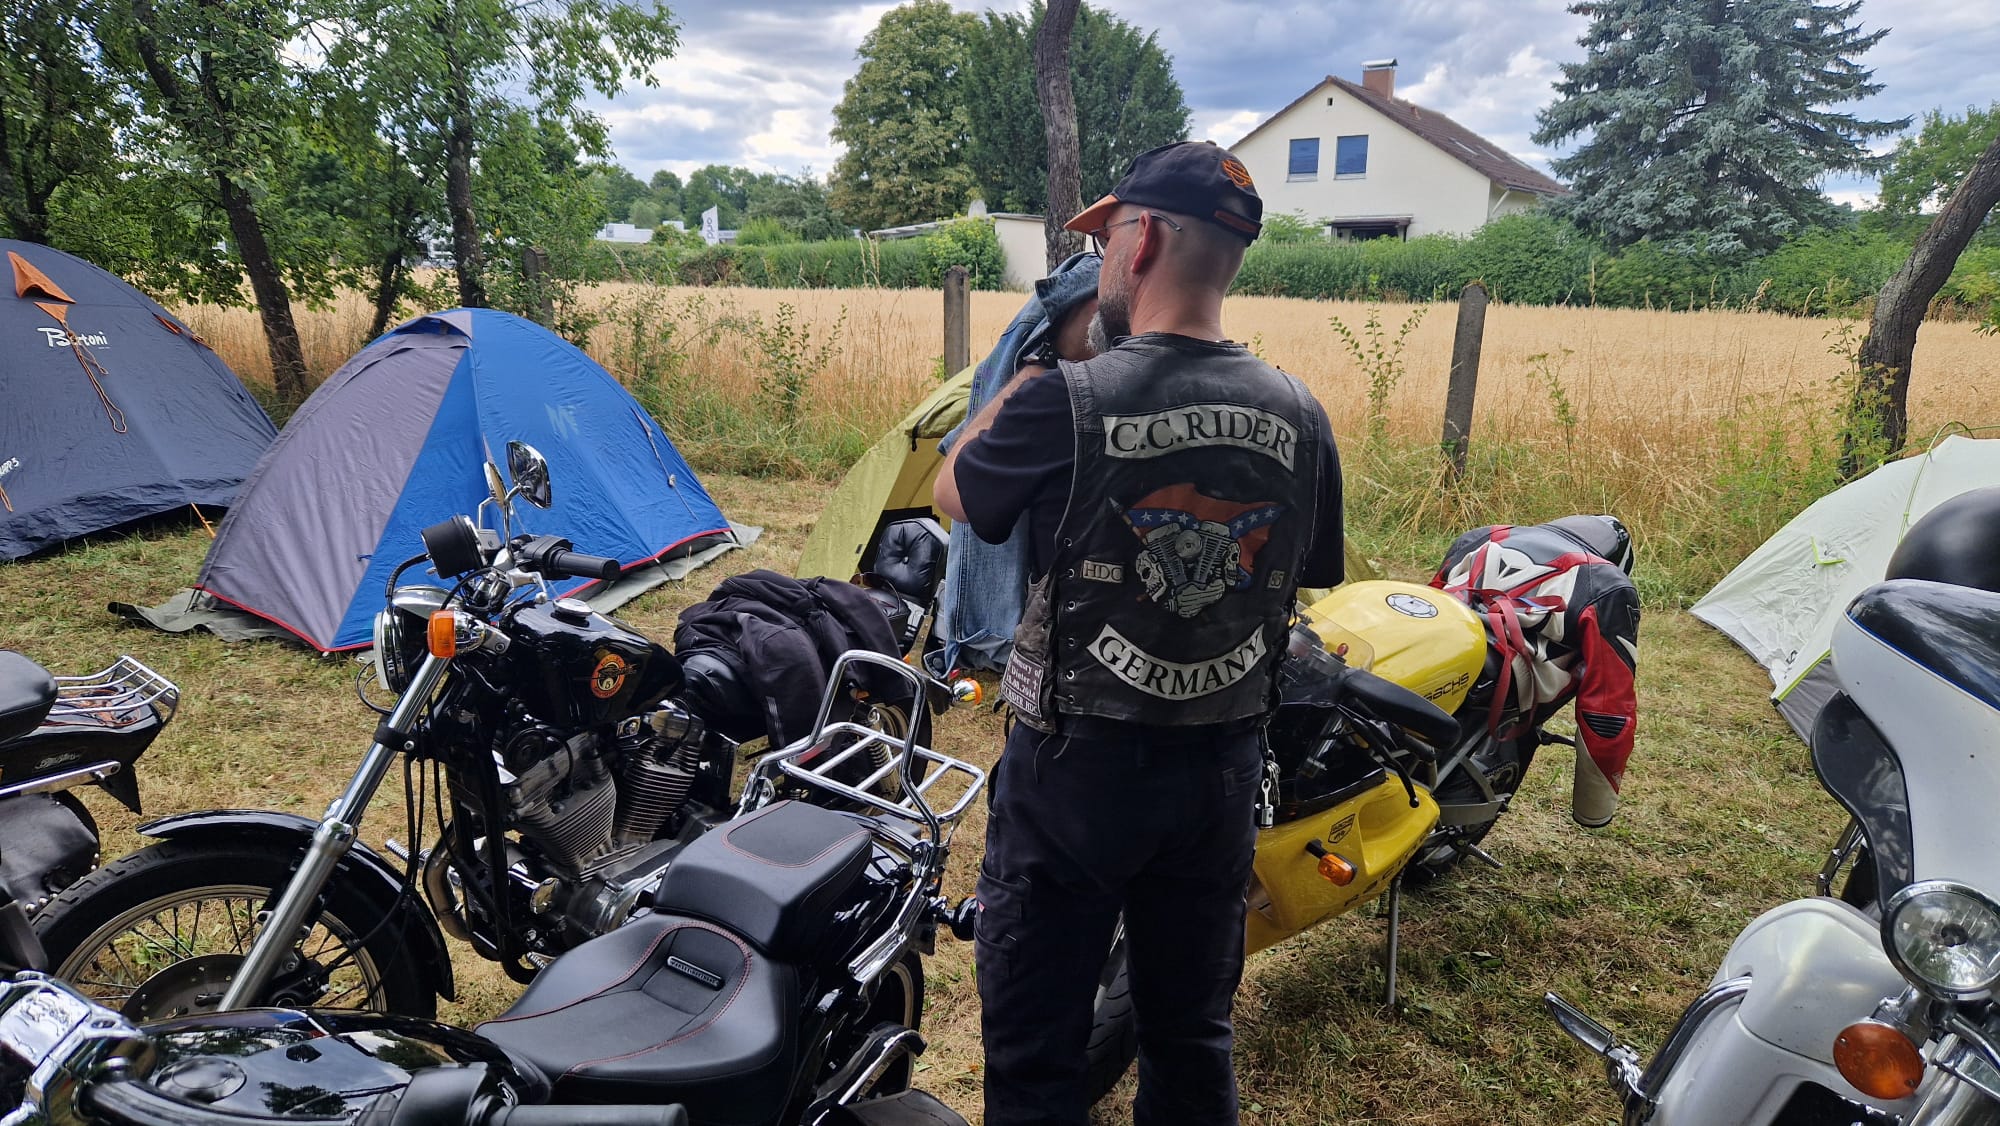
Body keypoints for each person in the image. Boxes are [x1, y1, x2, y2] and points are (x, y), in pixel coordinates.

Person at [934, 140, 1344, 1126]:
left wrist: (1033, 364)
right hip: (1221, 774)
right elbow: (1304, 572)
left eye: (1108, 237)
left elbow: (955, 489)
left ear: (1146, 237)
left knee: (1034, 1055)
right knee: (1191, 1038)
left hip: (1075, 776)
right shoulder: (1302, 414)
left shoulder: (1060, 399)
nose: (1102, 259)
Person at [1428, 515, 1640, 827]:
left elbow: (1431, 599)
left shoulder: (1482, 535)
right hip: (1501, 679)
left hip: (1433, 643)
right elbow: (1608, 711)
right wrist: (1594, 813)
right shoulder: (1607, 585)